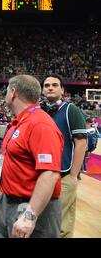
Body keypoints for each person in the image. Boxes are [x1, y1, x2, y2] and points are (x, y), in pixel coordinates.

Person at [0, 75, 63, 238]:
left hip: (31, 207)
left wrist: (30, 215)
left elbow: (50, 173)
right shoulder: (20, 122)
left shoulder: (40, 124)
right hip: (8, 201)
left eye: (6, 92)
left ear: (13, 93)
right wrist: (3, 190)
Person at [41, 74, 87, 238]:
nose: (50, 88)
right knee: (39, 220)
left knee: (61, 224)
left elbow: (81, 143)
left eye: (54, 85)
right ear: (42, 90)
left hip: (64, 174)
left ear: (62, 90)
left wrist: (73, 175)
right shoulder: (38, 110)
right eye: (47, 85)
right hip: (40, 175)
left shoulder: (71, 110)